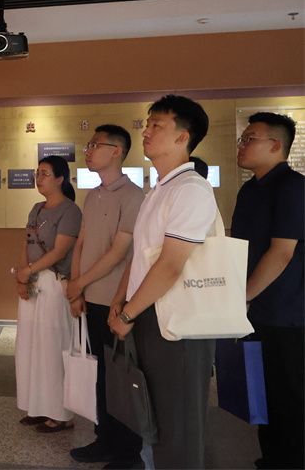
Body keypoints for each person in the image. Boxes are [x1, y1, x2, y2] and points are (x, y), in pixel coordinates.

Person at [108, 94, 216, 469]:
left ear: (183, 137)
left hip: (176, 322)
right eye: (147, 123)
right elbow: (142, 256)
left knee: (178, 423)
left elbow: (171, 265)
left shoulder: (191, 189)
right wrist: (120, 300)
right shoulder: (160, 190)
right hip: (149, 314)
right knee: (155, 417)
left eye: (157, 125)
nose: (146, 131)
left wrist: (128, 314)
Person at [65, 126, 145, 468]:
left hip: (116, 301)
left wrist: (79, 283)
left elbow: (118, 252)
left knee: (121, 377)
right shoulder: (92, 194)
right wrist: (76, 288)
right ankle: (104, 438)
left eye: (95, 145)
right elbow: (81, 243)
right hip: (90, 297)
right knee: (100, 373)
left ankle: (129, 453)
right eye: (88, 144)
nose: (88, 150)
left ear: (116, 151)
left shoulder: (134, 195)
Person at [231, 112, 304, 470]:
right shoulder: (249, 190)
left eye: (250, 139)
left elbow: (281, 252)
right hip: (254, 310)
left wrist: (244, 296)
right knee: (262, 392)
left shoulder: (293, 187)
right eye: (242, 138)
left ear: (276, 145)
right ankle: (272, 458)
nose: (241, 145)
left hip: (286, 312)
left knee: (290, 395)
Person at [13, 155, 81, 433]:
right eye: (37, 173)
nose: (38, 178)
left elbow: (60, 251)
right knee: (29, 346)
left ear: (60, 179)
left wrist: (28, 271)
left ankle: (62, 414)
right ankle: (37, 407)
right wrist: (22, 275)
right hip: (32, 282)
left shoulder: (70, 211)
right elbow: (26, 243)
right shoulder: (36, 208)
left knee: (52, 348)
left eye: (45, 174)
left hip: (53, 282)